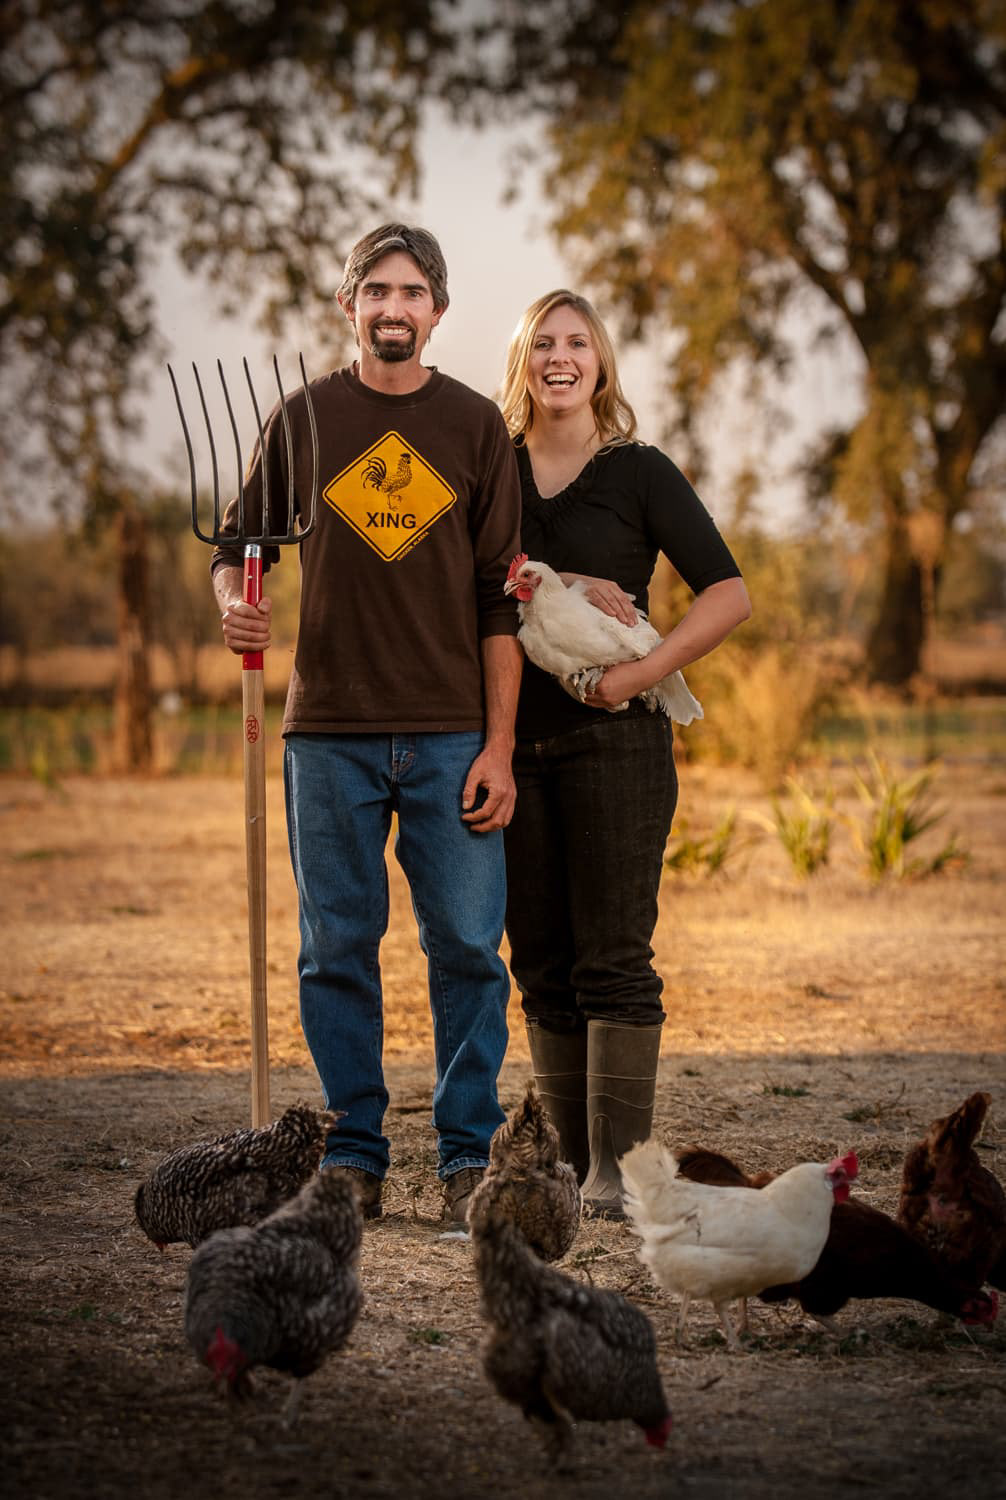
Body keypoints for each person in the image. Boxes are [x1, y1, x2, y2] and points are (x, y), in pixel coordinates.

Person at [211, 224, 523, 1225]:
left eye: (413, 291)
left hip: (449, 735)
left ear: (437, 309)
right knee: (334, 947)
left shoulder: (477, 429)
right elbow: (237, 544)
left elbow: (498, 603)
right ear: (347, 306)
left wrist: (500, 746)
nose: (394, 306)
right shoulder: (302, 420)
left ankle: (469, 1156)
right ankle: (353, 1155)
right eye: (375, 290)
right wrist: (234, 601)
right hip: (327, 734)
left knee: (469, 949)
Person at [498, 290, 751, 1217]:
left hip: (617, 743)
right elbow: (475, 584)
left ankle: (618, 1175)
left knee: (613, 955)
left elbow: (728, 595)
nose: (560, 358)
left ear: (600, 362)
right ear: (524, 362)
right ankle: (569, 1173)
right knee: (541, 957)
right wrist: (561, 579)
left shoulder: (640, 471)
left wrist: (641, 671)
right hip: (512, 745)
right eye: (543, 345)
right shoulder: (495, 469)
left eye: (577, 344)